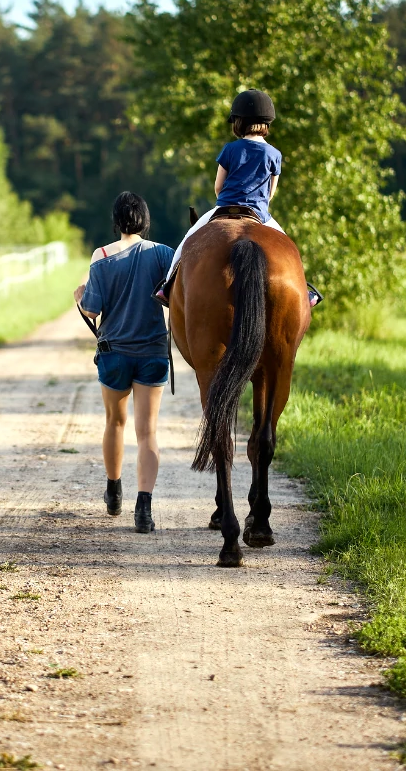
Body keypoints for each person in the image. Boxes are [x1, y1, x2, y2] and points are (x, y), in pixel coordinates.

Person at [154, 89, 322, 308]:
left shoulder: (230, 149)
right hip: (259, 214)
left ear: (238, 122)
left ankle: (167, 287)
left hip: (224, 209)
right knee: (288, 248)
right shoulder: (274, 154)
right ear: (266, 123)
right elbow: (270, 193)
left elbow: (218, 187)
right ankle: (303, 291)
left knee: (188, 240)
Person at [73, 192, 175, 534]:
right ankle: (143, 509)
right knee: (147, 433)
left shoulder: (101, 256)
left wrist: (79, 296)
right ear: (144, 219)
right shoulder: (163, 254)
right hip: (152, 352)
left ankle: (114, 490)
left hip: (114, 352)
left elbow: (92, 308)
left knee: (114, 423)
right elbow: (175, 296)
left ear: (117, 220)